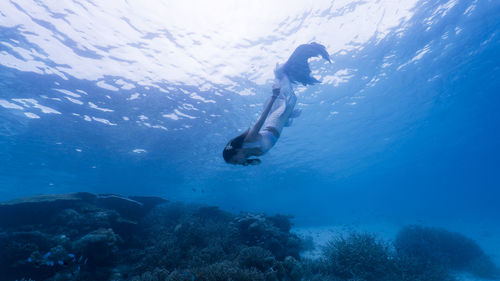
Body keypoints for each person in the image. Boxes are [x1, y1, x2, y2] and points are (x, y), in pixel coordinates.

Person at [223, 42, 330, 166]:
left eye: (236, 160)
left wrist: (274, 96)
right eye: (236, 163)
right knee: (289, 100)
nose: (239, 163)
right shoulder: (247, 157)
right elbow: (257, 161)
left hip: (273, 121)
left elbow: (261, 120)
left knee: (290, 97)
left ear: (238, 151)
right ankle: (284, 76)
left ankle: (284, 71)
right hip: (278, 124)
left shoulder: (250, 139)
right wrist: (247, 161)